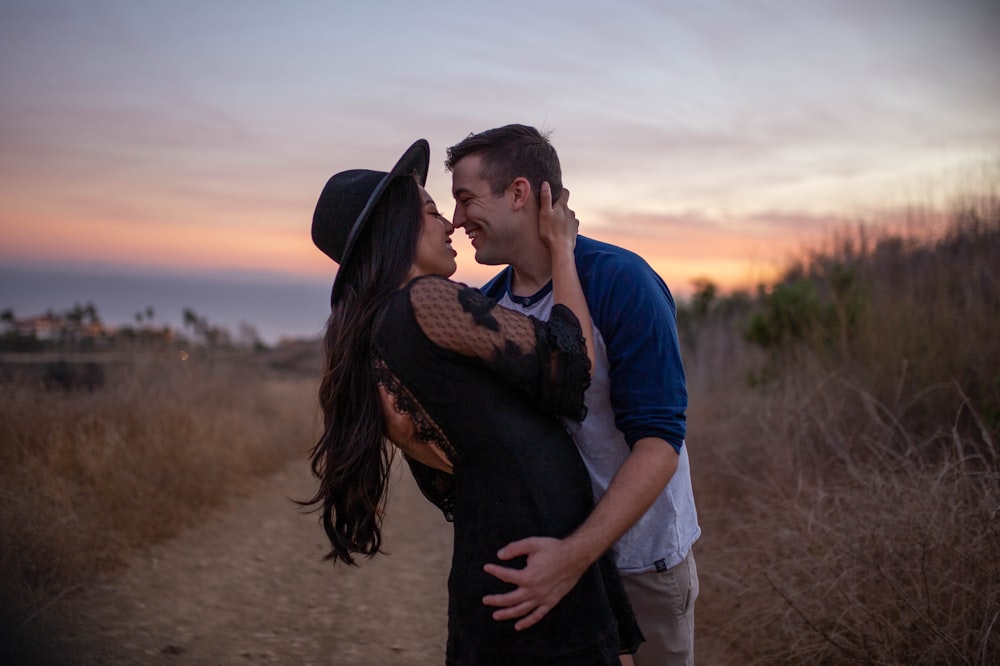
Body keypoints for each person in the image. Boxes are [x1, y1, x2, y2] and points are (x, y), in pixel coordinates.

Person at [304, 139, 641, 665]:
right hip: (533, 557)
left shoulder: (380, 337)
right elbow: (571, 368)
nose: (449, 225)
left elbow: (450, 473)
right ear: (395, 233)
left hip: (506, 552)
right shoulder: (424, 301)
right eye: (434, 211)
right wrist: (562, 250)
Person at [442, 124, 701, 666]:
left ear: (517, 193)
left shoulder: (621, 281)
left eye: (465, 200)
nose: (457, 220)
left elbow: (659, 441)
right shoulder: (490, 309)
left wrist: (575, 557)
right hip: (548, 571)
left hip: (637, 568)